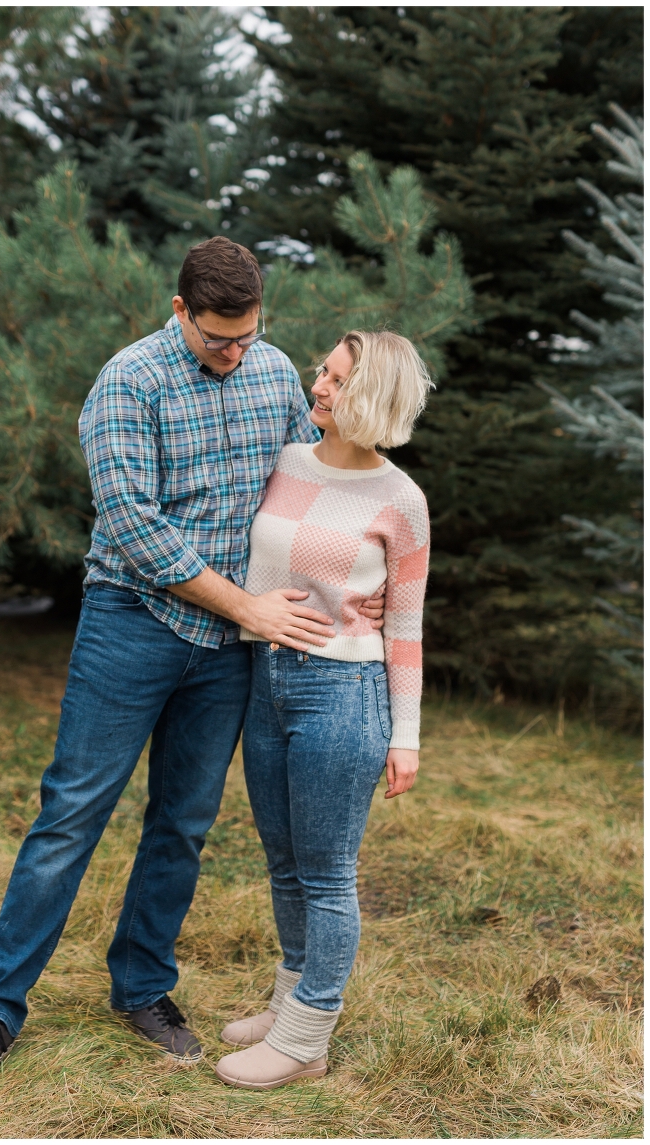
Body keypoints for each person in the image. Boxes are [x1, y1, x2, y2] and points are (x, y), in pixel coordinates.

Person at [0, 237, 385, 1088]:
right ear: (179, 311)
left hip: (227, 647)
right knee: (71, 813)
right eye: (219, 337)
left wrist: (369, 553)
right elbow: (138, 528)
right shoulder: (129, 381)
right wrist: (249, 604)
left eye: (249, 335)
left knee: (182, 822)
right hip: (132, 620)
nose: (236, 352)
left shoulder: (271, 370)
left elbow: (306, 478)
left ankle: (143, 987)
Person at [213, 329, 431, 1091]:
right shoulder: (286, 461)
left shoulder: (401, 501)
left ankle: (307, 1041)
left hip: (344, 693)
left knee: (328, 873)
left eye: (335, 379)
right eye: (324, 371)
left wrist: (405, 736)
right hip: (265, 681)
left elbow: (405, 624)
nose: (319, 383)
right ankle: (289, 1008)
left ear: (369, 396)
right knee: (282, 862)